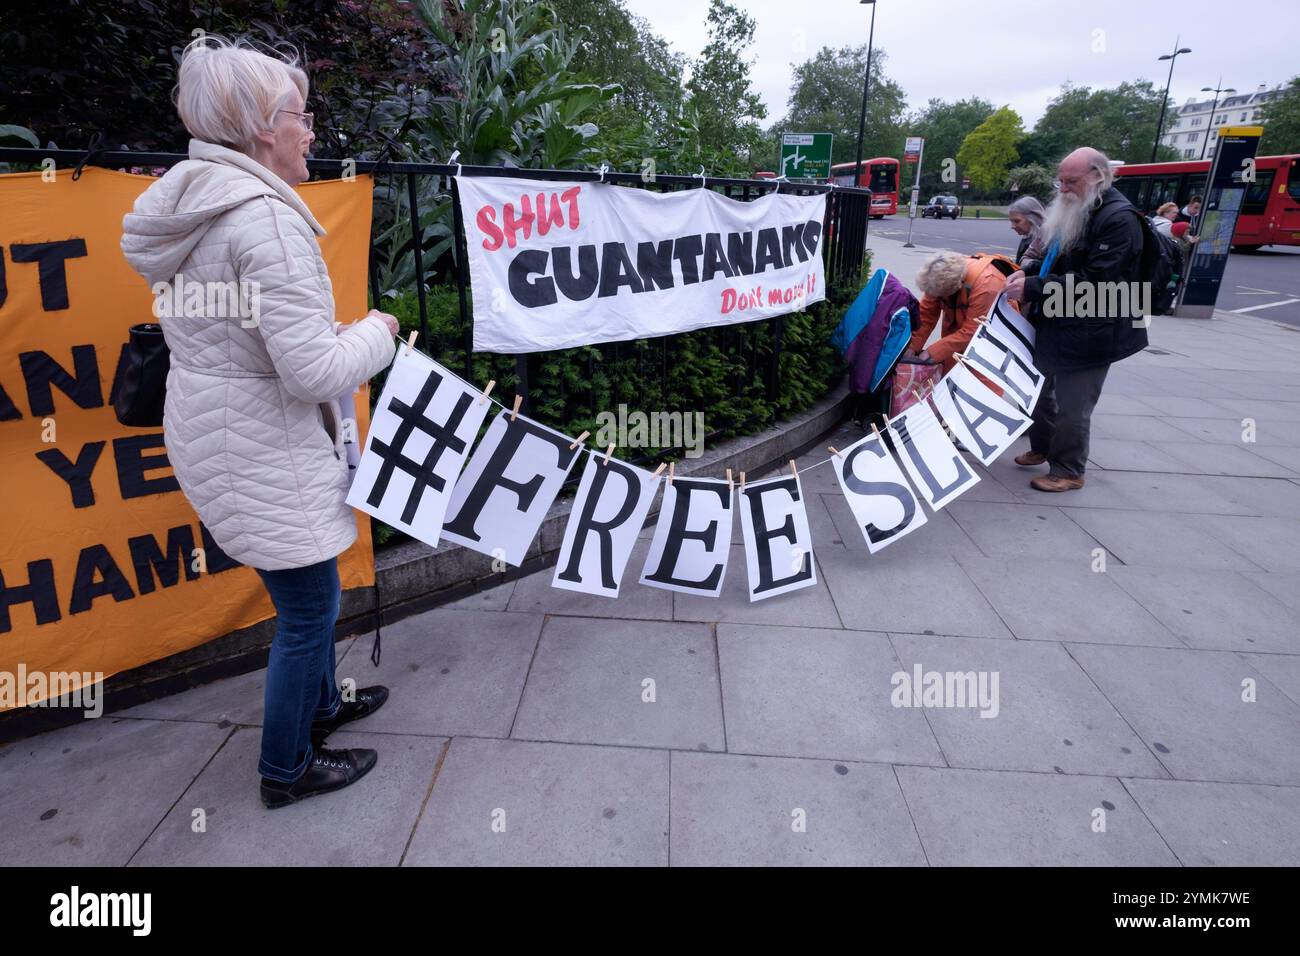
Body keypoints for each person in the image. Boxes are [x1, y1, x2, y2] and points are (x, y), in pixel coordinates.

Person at [121, 36, 399, 808]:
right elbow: (310, 370)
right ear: (256, 130)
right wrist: (377, 330)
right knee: (309, 612)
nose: (312, 129)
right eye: (298, 115)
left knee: (307, 596)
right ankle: (287, 769)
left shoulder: (197, 204)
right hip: (263, 441)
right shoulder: (266, 223)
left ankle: (322, 708)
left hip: (222, 432)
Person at [1004, 147, 1149, 492]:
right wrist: (1027, 273)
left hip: (1097, 326)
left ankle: (1069, 470)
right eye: (1061, 181)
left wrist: (1035, 286)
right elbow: (1058, 260)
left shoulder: (1119, 219)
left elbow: (1097, 283)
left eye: (1071, 181)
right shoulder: (1081, 208)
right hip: (1063, 317)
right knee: (1038, 391)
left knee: (1073, 403)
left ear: (1098, 176)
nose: (1063, 189)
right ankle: (1042, 447)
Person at [904, 250, 1015, 374]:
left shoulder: (987, 285)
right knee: (949, 369)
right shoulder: (936, 279)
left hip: (991, 333)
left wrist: (931, 352)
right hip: (962, 323)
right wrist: (912, 347)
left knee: (981, 377)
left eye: (939, 295)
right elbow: (925, 315)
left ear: (954, 287)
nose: (934, 297)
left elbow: (974, 331)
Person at [1008, 196, 1047, 271]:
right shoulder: (1027, 238)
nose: (1012, 226)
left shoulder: (1045, 240)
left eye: (1017, 221)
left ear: (1033, 218)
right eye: (1011, 221)